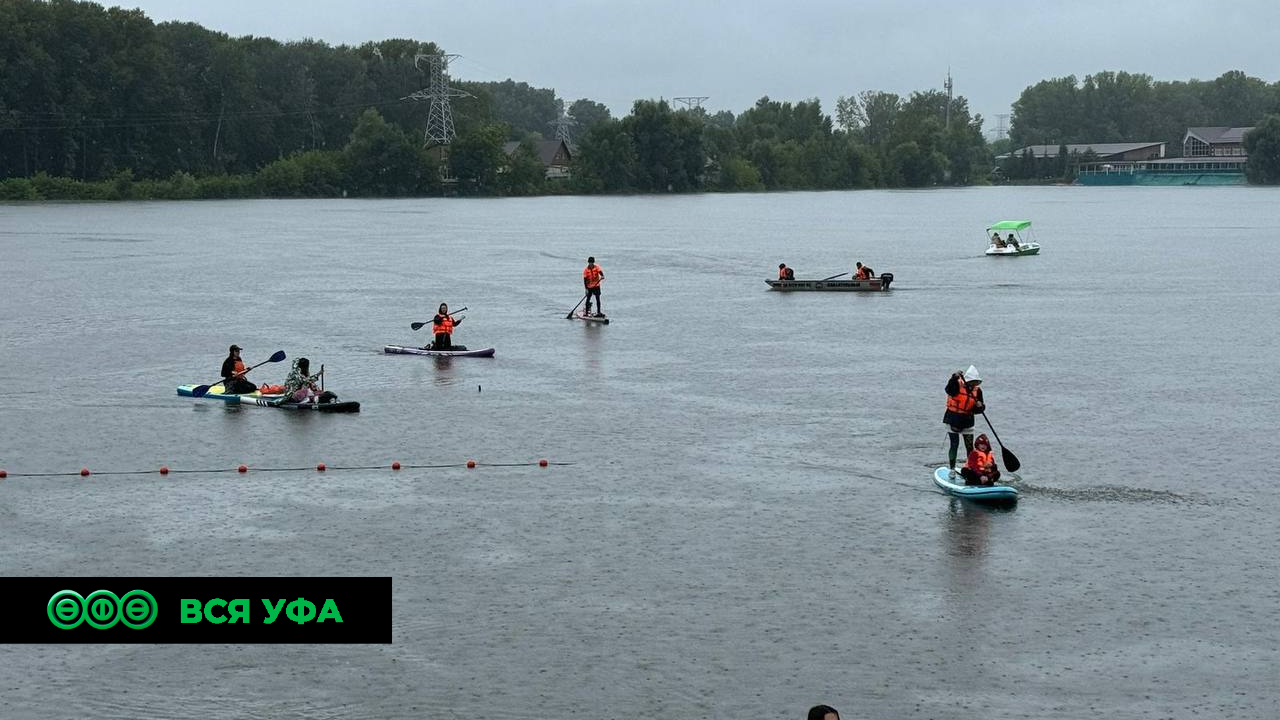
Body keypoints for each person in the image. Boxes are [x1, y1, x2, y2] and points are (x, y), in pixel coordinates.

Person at [943, 365, 986, 472]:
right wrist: (953, 377)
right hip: (952, 419)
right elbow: (948, 389)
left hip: (968, 421)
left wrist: (980, 406)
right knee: (954, 444)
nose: (974, 384)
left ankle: (971, 468)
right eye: (972, 382)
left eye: (976, 382)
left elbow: (978, 410)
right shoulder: (956, 385)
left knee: (969, 447)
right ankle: (952, 469)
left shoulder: (978, 391)